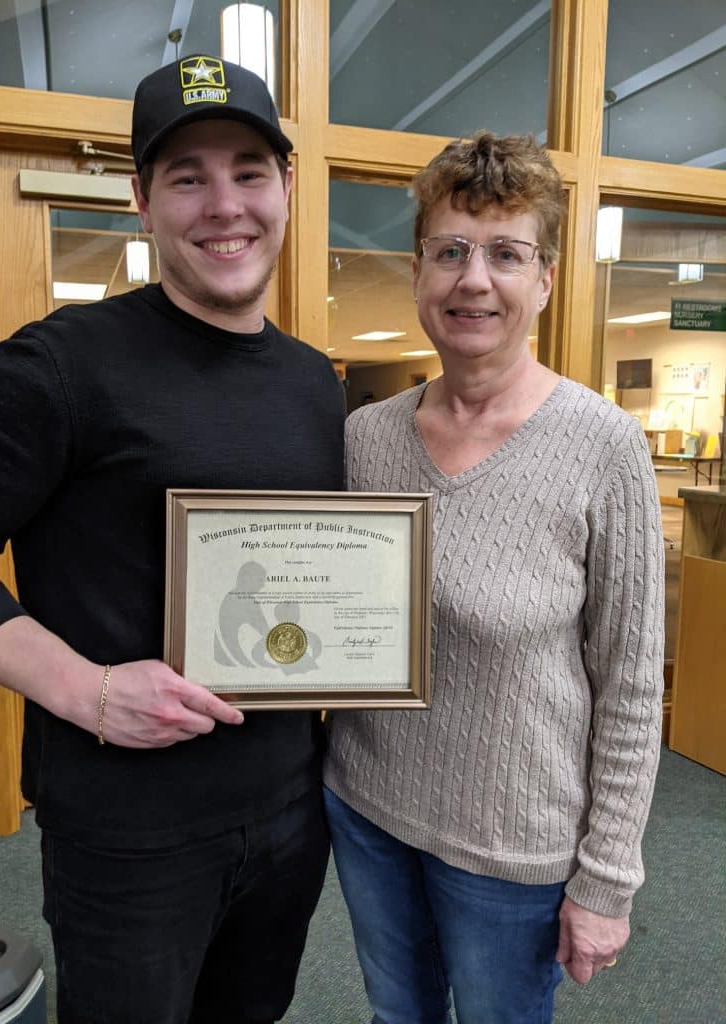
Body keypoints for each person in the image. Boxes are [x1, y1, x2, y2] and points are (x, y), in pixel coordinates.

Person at [0, 55, 345, 1024]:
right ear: (141, 199)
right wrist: (81, 688)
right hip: (128, 835)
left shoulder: (311, 380)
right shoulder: (58, 367)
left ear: (287, 188)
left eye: (249, 170)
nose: (225, 204)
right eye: (187, 175)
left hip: (291, 814)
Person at [323, 131, 664, 1024]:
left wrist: (608, 879)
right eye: (450, 251)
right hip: (366, 807)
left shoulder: (603, 447)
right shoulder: (367, 437)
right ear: (418, 272)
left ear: (544, 280)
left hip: (513, 846)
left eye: (507, 253)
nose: (474, 279)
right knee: (399, 1017)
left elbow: (631, 685)